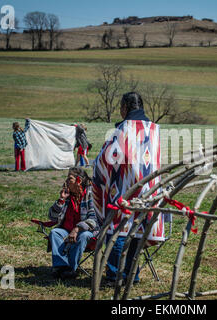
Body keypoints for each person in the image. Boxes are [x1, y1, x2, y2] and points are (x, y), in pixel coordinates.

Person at [92, 92, 164, 286]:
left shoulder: (122, 129)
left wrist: (99, 172)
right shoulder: (155, 129)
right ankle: (133, 275)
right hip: (149, 189)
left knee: (118, 231)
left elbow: (105, 160)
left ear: (125, 108)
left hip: (124, 189)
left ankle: (115, 276)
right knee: (138, 231)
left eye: (121, 107)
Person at [48, 167, 101, 279]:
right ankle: (60, 266)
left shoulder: (90, 194)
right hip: (67, 231)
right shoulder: (68, 196)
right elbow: (52, 218)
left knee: (84, 235)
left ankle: (70, 268)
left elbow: (94, 220)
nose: (66, 182)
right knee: (55, 232)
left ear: (79, 180)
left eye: (69, 179)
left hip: (89, 232)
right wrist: (61, 200)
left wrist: (77, 229)